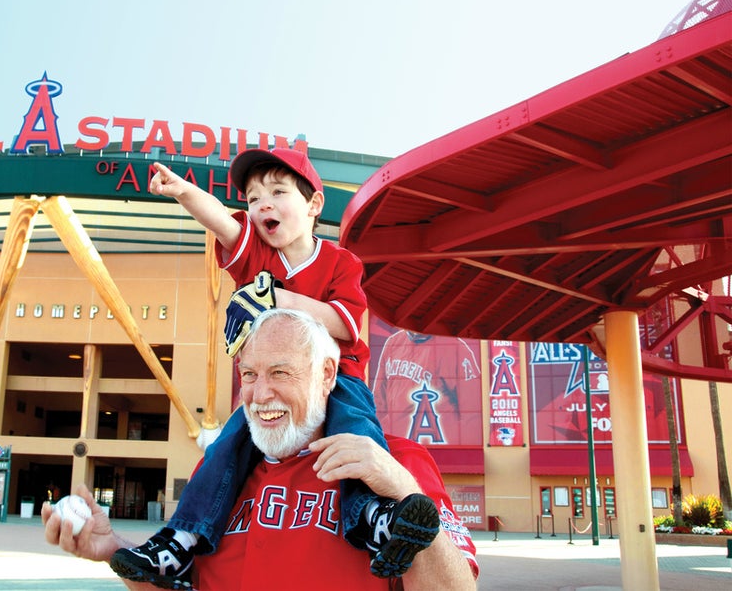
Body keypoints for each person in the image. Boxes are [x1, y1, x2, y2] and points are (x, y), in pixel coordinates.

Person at [111, 147, 413, 588]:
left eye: (277, 191)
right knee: (224, 451)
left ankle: (371, 515)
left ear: (313, 205)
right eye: (253, 199)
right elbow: (219, 219)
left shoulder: (340, 262)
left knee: (357, 436)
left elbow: (345, 325)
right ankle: (181, 540)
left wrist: (280, 300)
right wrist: (182, 191)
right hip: (275, 384)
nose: (262, 204)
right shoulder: (256, 254)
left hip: (337, 380)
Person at [43, 309, 479, 590]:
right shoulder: (218, 474)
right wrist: (111, 548)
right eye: (249, 374)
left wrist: (403, 489)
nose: (259, 393)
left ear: (327, 374)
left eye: (280, 372)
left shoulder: (394, 460)